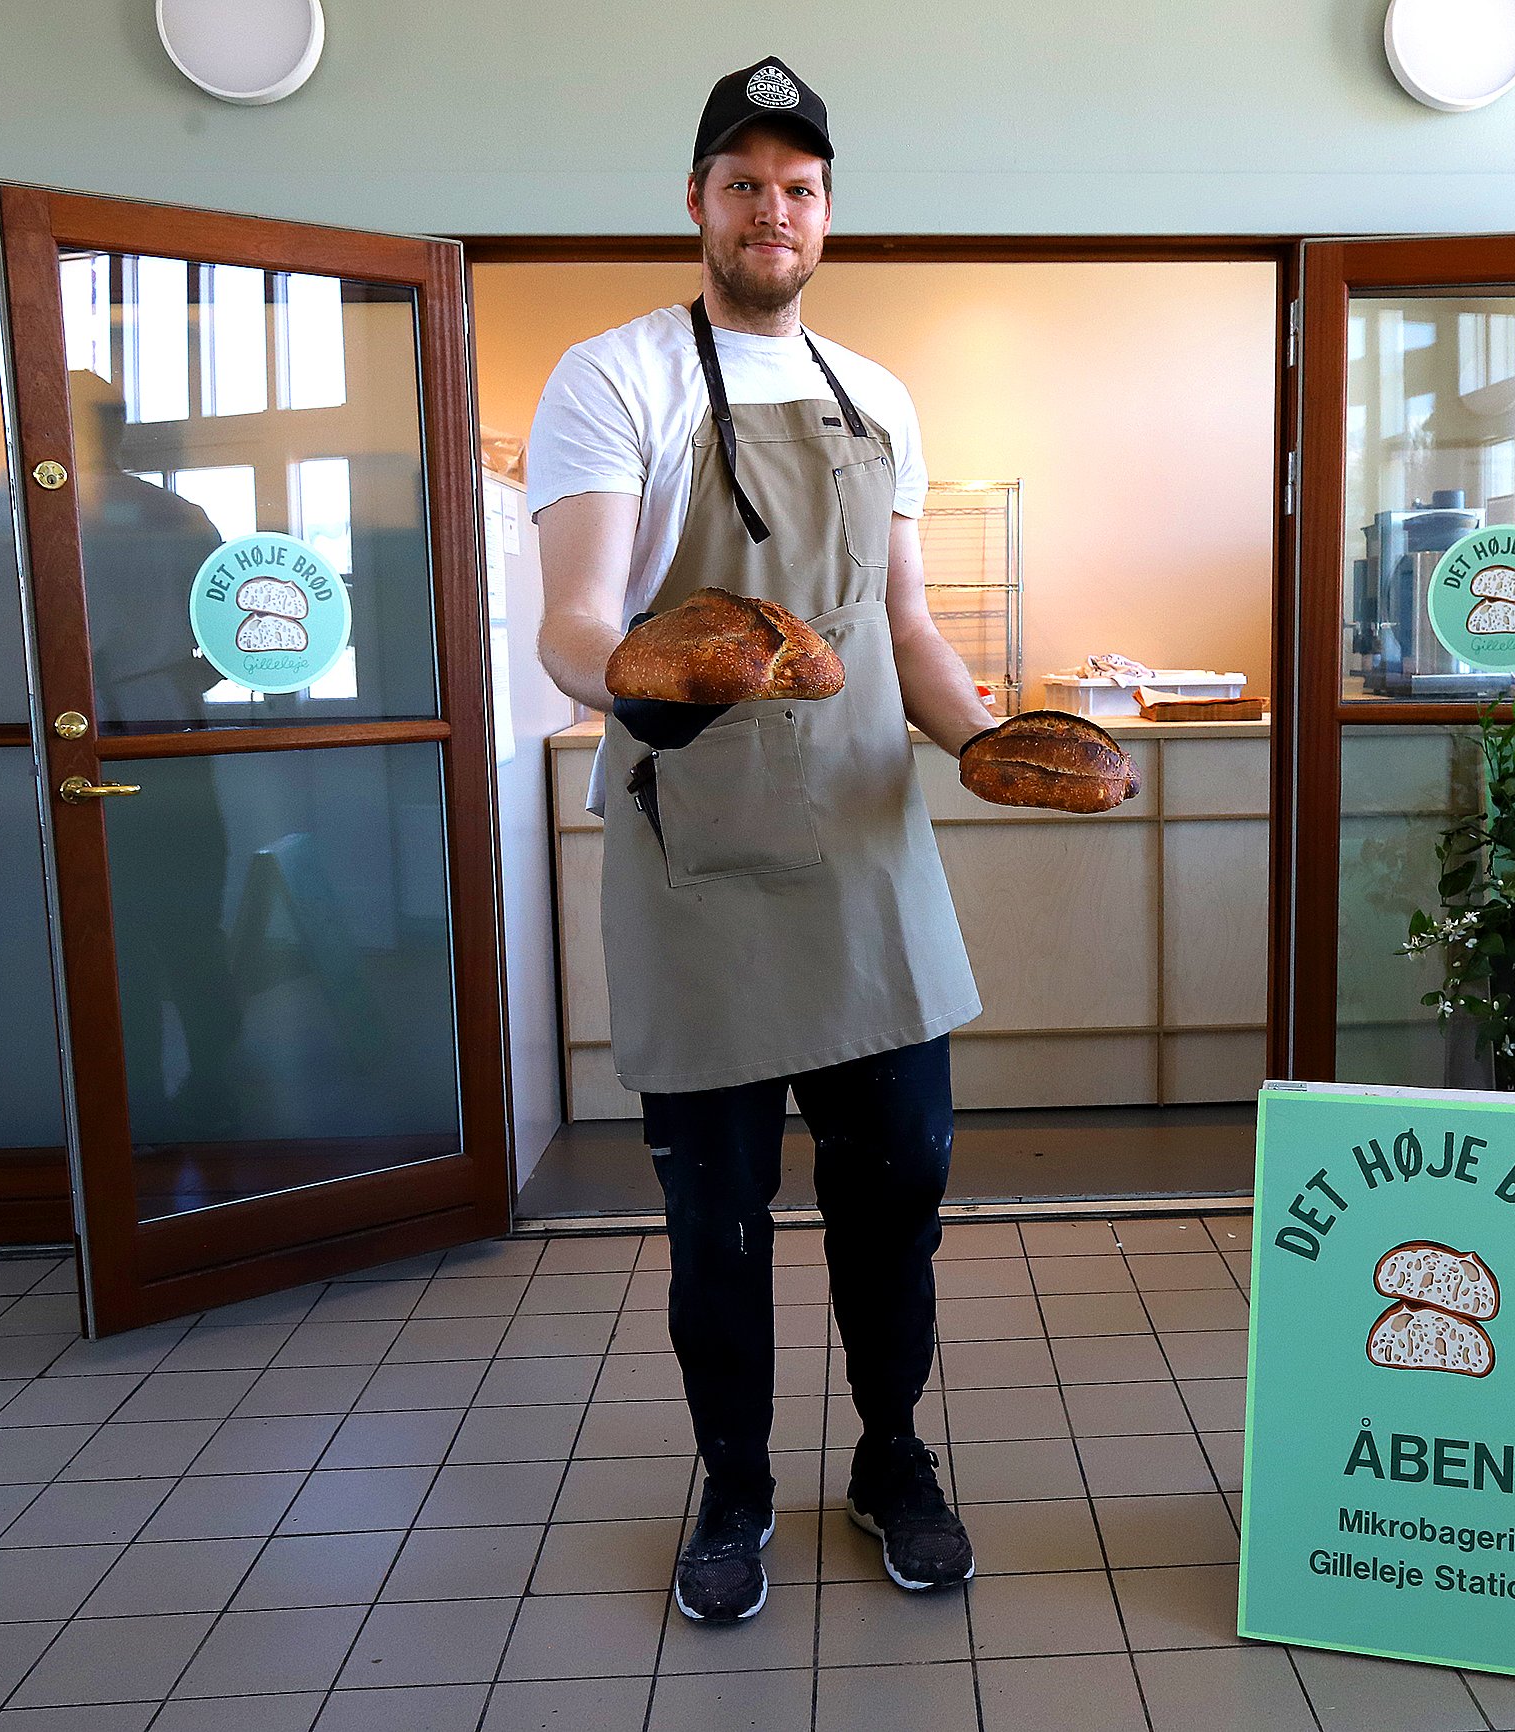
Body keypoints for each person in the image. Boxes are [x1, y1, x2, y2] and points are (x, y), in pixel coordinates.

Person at [529, 56, 995, 1624]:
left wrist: (988, 740)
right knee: (717, 1216)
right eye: (742, 185)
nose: (771, 211)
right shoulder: (615, 377)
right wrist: (657, 674)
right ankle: (733, 1486)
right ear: (697, 204)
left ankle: (888, 1457)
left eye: (797, 188)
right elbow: (576, 620)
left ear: (825, 211)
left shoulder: (882, 396)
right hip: (701, 850)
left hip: (867, 848)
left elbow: (910, 630)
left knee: (904, 1179)